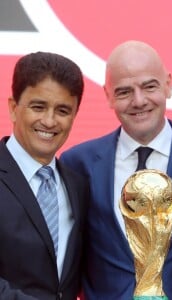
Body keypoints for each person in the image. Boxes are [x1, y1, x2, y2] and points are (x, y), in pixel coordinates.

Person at [60, 40, 172, 299]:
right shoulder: (77, 164)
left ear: (168, 85)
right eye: (124, 92)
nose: (138, 101)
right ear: (108, 95)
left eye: (149, 86)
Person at [0, 51, 89, 299]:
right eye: (38, 107)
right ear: (13, 108)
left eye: (62, 110)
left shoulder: (78, 186)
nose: (49, 121)